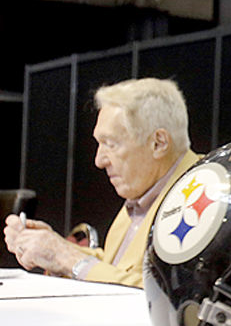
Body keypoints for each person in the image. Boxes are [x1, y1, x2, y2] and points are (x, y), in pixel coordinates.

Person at [3, 78, 199, 287]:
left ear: (158, 143)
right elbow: (117, 267)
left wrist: (67, 259)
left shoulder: (200, 199)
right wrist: (53, 247)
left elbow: (166, 297)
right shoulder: (148, 191)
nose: (99, 161)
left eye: (111, 144)